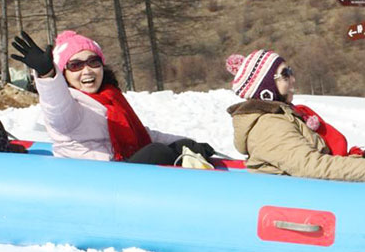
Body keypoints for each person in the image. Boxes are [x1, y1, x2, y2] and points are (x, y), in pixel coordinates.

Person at [11, 31, 214, 165]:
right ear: (63, 73)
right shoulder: (69, 106)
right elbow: (55, 107)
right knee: (157, 153)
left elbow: (139, 134)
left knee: (179, 147)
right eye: (76, 65)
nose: (87, 70)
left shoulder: (110, 98)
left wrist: (185, 143)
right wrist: (48, 75)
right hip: (92, 180)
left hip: (118, 172)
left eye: (93, 62)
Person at [225, 49, 365, 182]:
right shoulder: (268, 126)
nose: (293, 79)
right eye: (285, 74)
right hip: (317, 196)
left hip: (322, 188)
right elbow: (309, 166)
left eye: (291, 71)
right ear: (266, 89)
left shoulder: (280, 115)